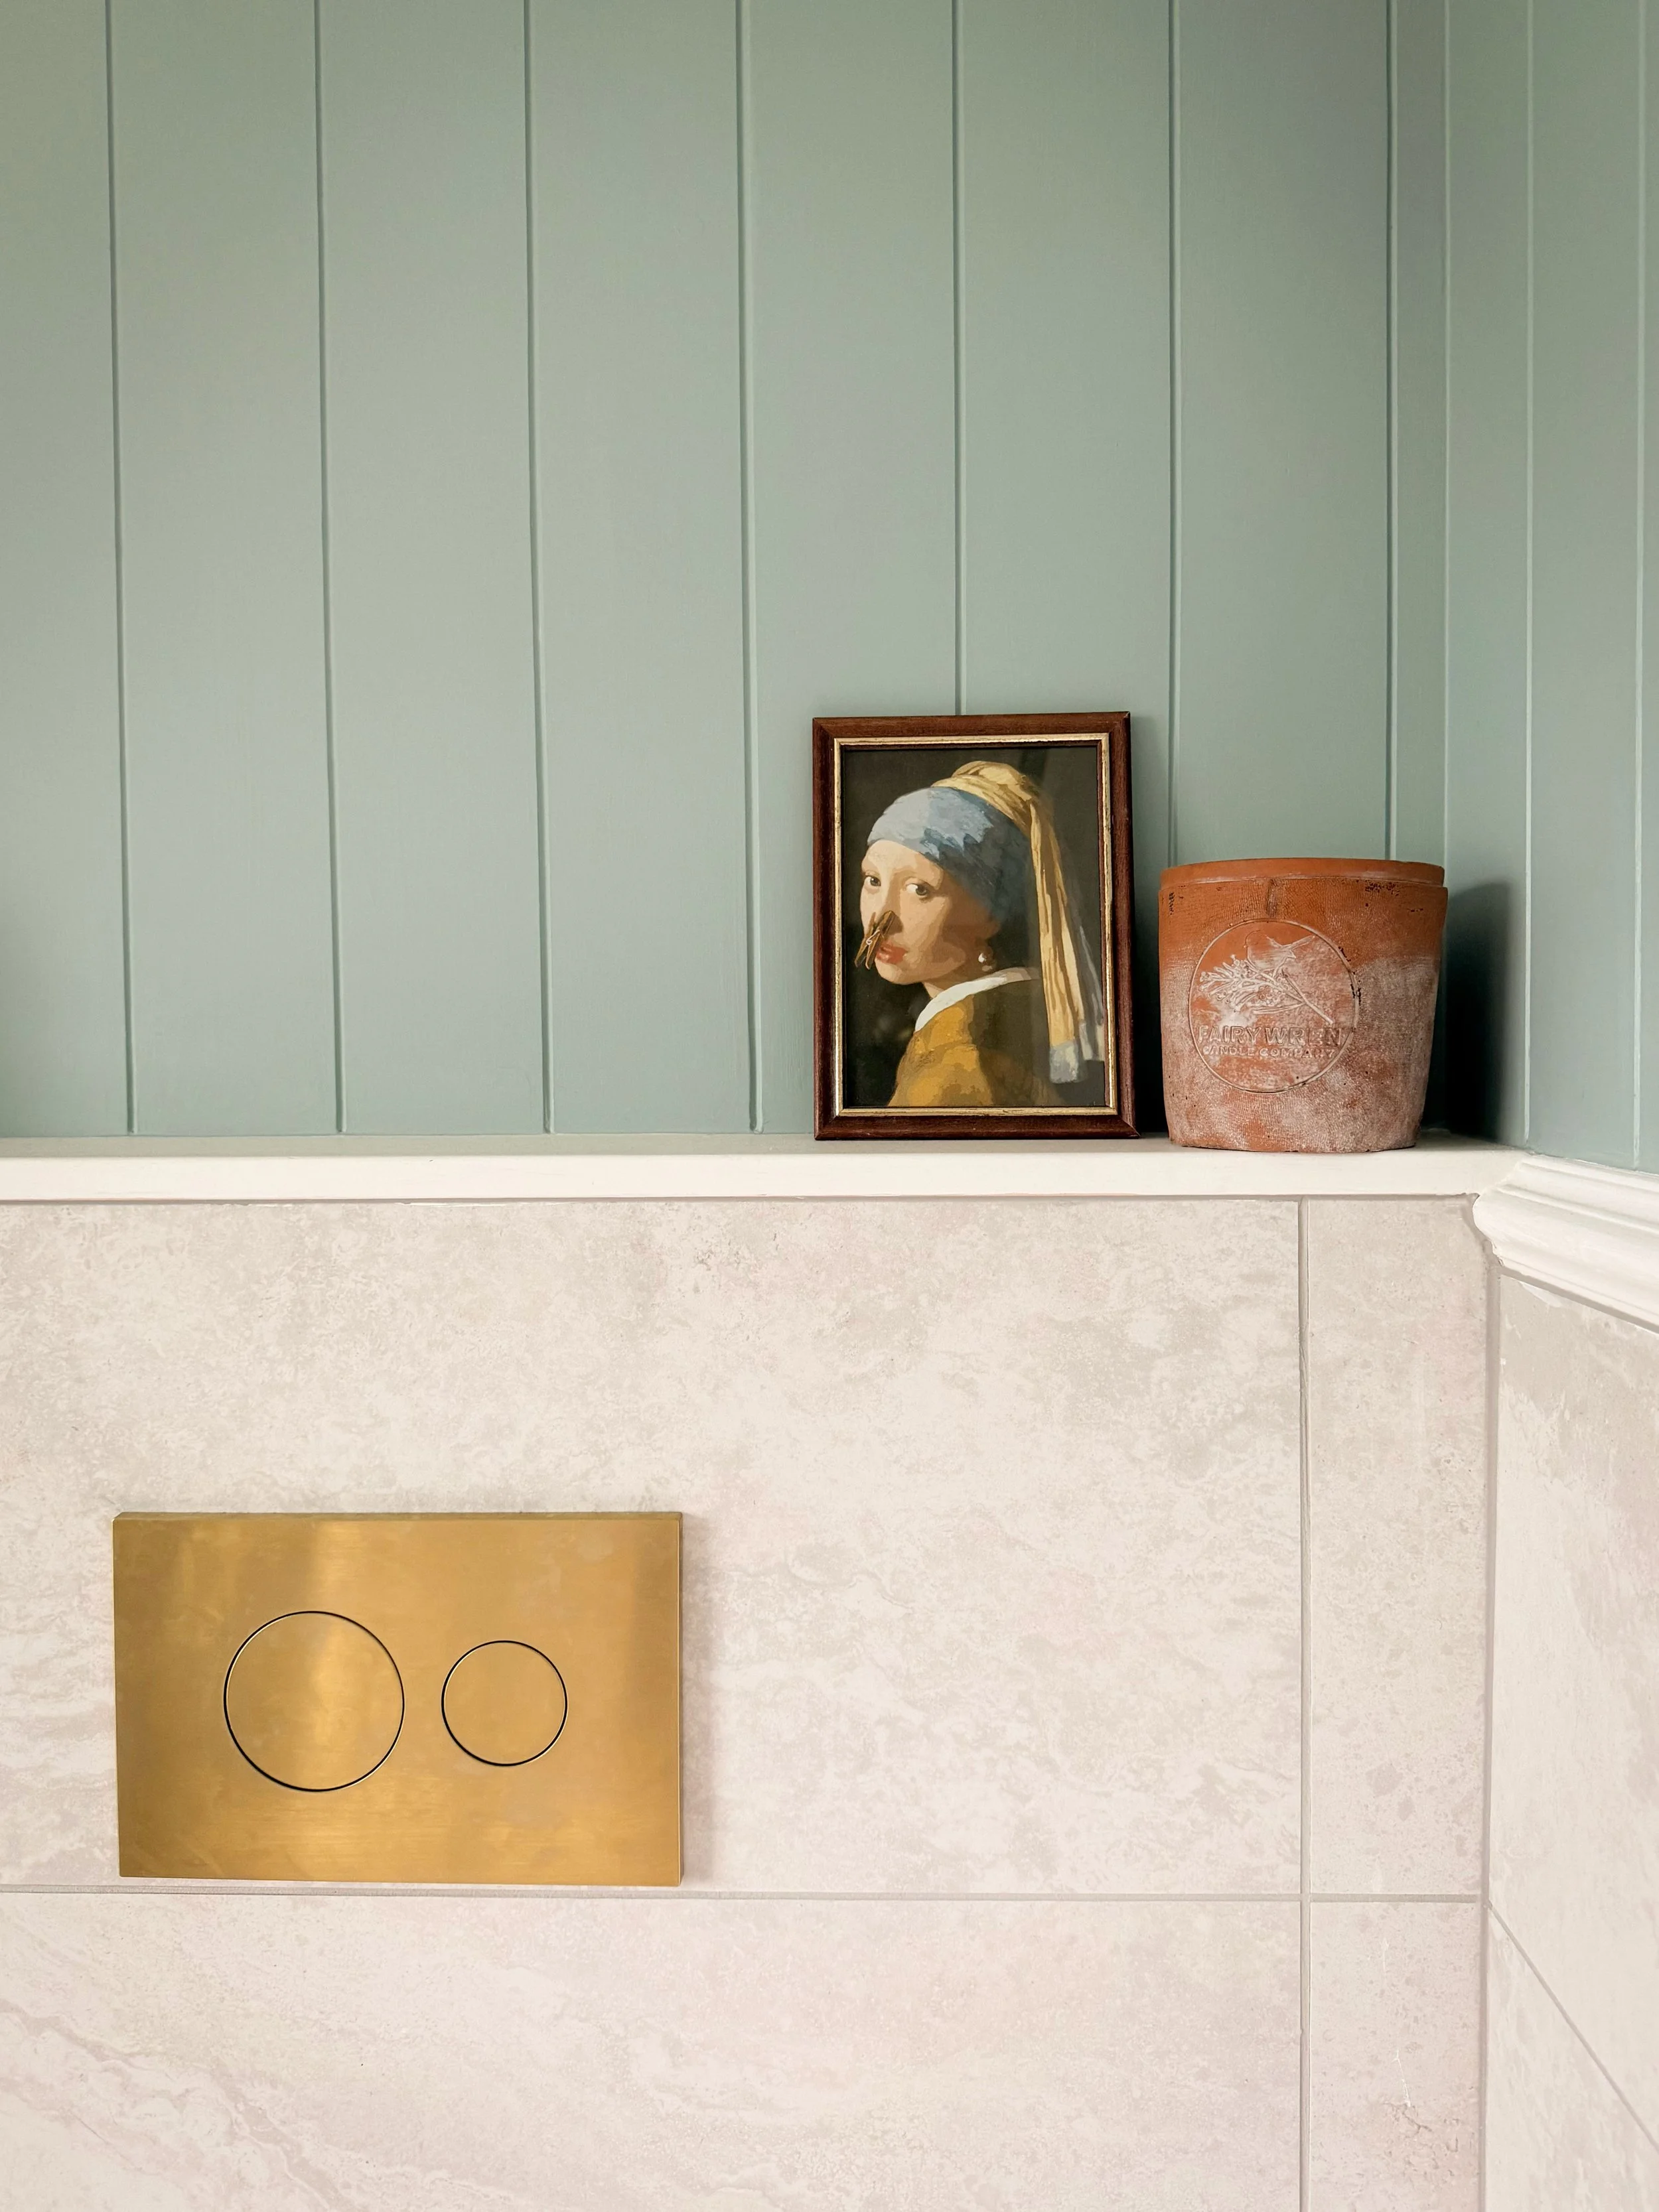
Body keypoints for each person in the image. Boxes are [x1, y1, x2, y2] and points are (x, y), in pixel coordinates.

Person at [857, 760, 1105, 1109]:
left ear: (991, 914)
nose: (882, 918)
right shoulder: (1024, 1005)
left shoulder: (958, 1063)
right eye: (873, 880)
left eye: (920, 889)